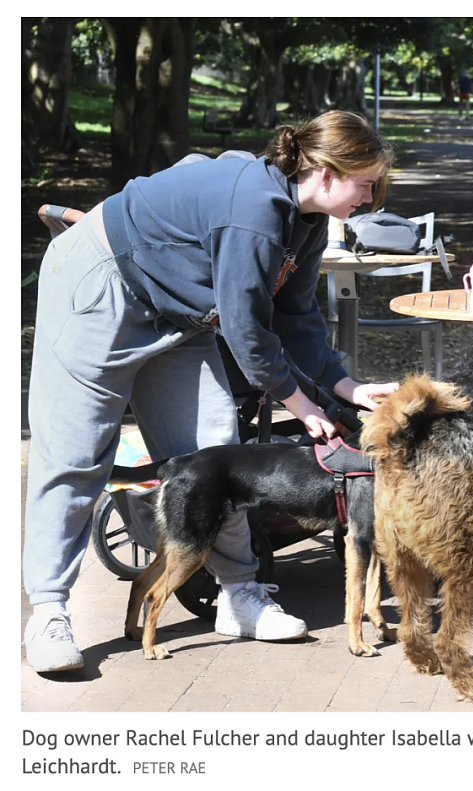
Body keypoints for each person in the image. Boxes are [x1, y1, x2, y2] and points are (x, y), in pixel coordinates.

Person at [22, 110, 398, 673]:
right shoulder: (252, 212)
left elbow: (294, 318)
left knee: (218, 448)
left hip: (178, 308)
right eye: (366, 184)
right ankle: (49, 611)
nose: (370, 200)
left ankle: (239, 595)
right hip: (103, 284)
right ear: (324, 171)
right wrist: (302, 404)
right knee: (76, 454)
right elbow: (249, 330)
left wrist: (346, 385)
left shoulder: (309, 221)